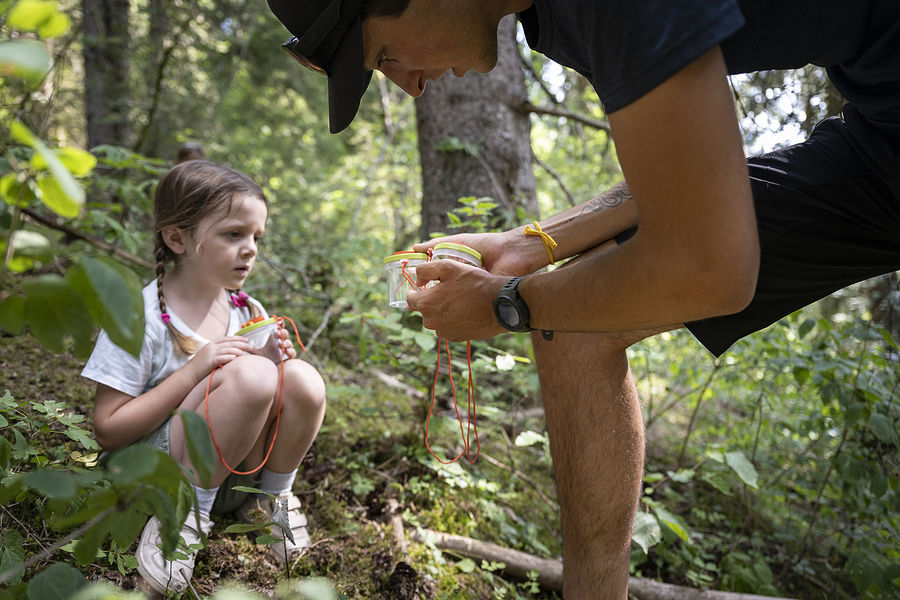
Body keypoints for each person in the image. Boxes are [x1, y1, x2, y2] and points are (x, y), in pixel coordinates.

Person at [266, 0, 899, 597]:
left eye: (383, 56)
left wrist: (505, 303)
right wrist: (530, 247)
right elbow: (696, 177)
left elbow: (710, 270)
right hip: (877, 143)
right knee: (574, 317)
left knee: (556, 302)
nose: (406, 85)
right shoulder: (558, 16)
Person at [81, 160, 327, 595]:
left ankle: (269, 503)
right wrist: (198, 368)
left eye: (256, 237)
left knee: (303, 379)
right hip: (151, 480)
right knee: (251, 377)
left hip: (232, 478)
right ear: (176, 238)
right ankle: (181, 519)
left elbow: (257, 395)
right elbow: (107, 430)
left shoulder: (248, 312)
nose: (250, 248)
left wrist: (271, 363)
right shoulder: (140, 318)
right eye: (233, 234)